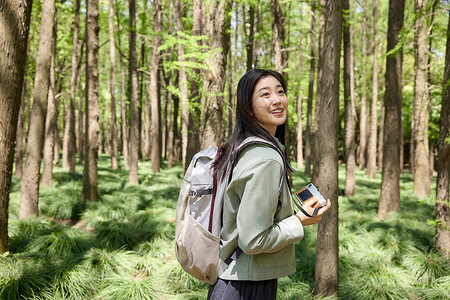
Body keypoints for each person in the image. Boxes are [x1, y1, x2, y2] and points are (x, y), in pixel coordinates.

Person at [207, 69, 331, 300]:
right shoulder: (265, 158)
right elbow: (253, 240)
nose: (277, 100)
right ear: (249, 108)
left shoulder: (243, 147)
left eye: (280, 91)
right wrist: (300, 221)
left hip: (231, 278)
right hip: (245, 286)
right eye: (265, 95)